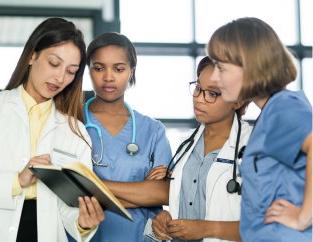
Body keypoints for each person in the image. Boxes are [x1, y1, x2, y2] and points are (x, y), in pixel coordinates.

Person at [0, 18, 104, 242]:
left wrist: (83, 223)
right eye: (54, 64)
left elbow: (72, 206)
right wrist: (17, 180)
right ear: (32, 55)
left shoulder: (75, 132)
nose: (60, 77)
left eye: (71, 71)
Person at [104, 56, 252, 242]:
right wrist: (164, 219)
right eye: (198, 88)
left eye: (212, 93)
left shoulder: (255, 147)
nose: (199, 99)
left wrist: (206, 229)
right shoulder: (187, 146)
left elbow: (270, 225)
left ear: (238, 100)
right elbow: (178, 202)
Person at [207, 17, 313, 241]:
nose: (215, 77)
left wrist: (304, 217)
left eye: (221, 68)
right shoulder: (270, 113)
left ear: (251, 67)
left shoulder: (282, 108)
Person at [79, 32, 172, 242]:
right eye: (99, 68)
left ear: (131, 72)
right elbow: (66, 193)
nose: (108, 77)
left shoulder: (153, 130)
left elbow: (163, 193)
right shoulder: (71, 123)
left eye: (119, 69)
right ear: (88, 70)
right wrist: (141, 193)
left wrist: (90, 184)